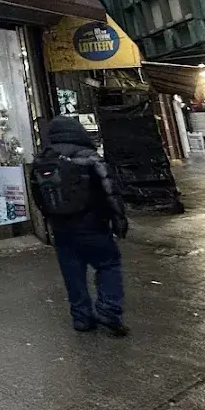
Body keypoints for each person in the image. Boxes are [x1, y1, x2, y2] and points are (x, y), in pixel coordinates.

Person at [30, 116, 130, 336]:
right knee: (108, 265)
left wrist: (50, 219)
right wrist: (119, 220)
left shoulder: (43, 161)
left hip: (62, 228)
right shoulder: (89, 158)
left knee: (72, 273)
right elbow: (110, 191)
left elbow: (37, 196)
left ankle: (82, 317)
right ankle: (109, 311)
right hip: (93, 223)